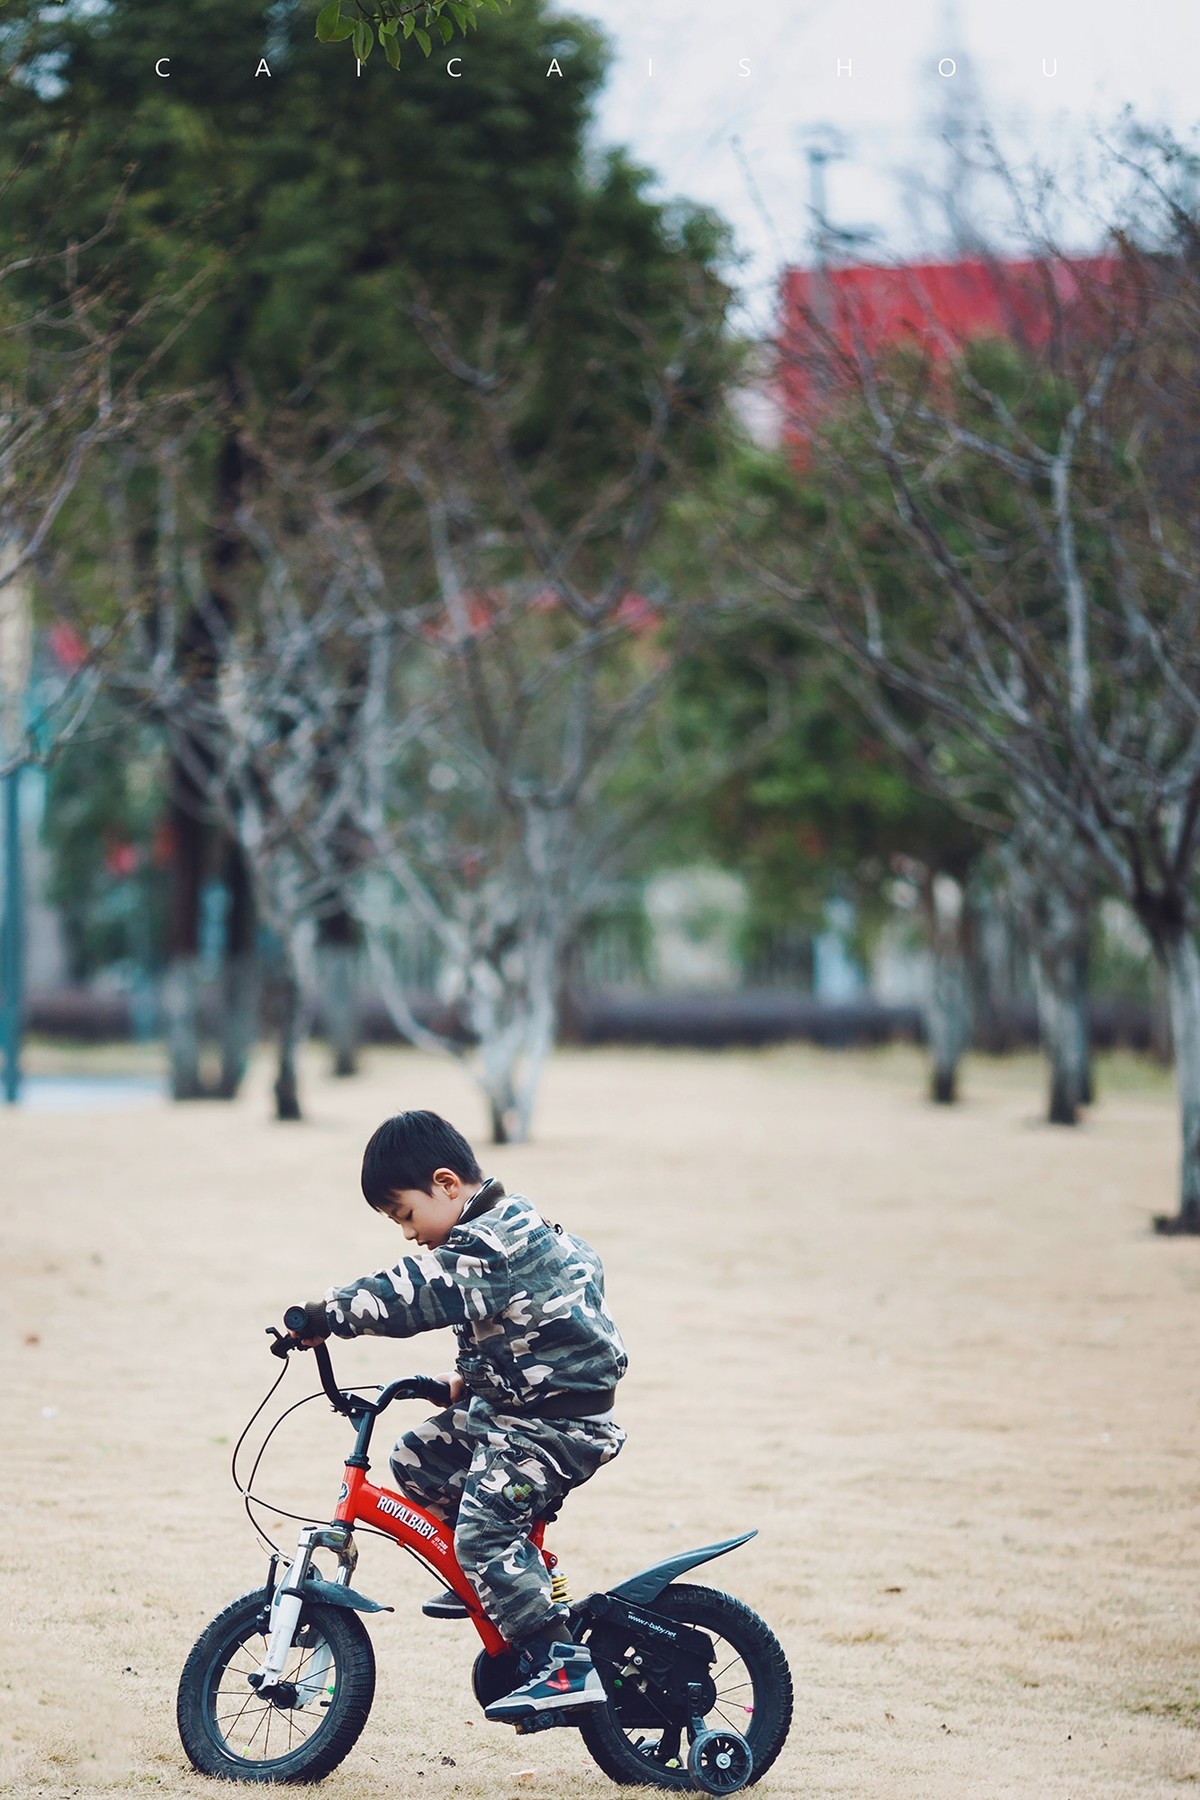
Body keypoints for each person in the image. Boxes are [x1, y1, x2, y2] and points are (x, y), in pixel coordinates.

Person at [287, 1108, 627, 1725]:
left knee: (482, 1531)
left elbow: (414, 1294)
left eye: (406, 1215)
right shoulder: (505, 1228)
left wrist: (325, 1314)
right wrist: (466, 1382)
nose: (408, 1234)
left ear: (446, 1184)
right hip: (519, 1410)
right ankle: (498, 1576)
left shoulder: (491, 1242)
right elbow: (527, 1313)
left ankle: (562, 1664)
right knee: (417, 1457)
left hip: (556, 1426)